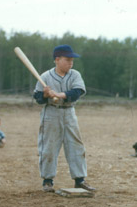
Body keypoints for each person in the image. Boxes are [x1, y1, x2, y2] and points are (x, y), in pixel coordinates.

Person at [32, 44, 95, 193]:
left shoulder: (75, 75)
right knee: (49, 147)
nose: (70, 63)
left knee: (76, 146)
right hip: (51, 113)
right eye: (67, 59)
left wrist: (60, 94)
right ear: (57, 59)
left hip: (69, 112)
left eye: (72, 60)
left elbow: (77, 92)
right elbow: (38, 98)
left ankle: (79, 180)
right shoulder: (45, 76)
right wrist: (46, 95)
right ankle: (47, 181)